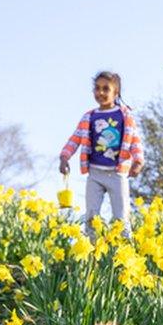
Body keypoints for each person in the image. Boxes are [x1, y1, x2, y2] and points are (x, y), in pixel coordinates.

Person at [59, 71, 144, 239]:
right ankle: (92, 253)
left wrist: (138, 161)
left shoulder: (124, 115)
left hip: (117, 174)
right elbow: (75, 138)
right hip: (95, 173)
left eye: (106, 89)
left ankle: (127, 252)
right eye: (97, 89)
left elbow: (134, 140)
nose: (101, 93)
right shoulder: (89, 117)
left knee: (121, 217)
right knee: (91, 216)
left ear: (116, 92)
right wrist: (64, 157)